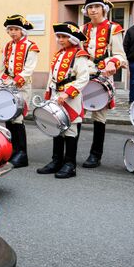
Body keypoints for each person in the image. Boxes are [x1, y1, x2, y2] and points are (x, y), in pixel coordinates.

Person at [36, 23, 92, 179]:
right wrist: (48, 93)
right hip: (56, 95)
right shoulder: (58, 54)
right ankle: (56, 160)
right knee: (56, 126)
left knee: (70, 129)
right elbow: (52, 76)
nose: (60, 40)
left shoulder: (79, 55)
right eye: (59, 37)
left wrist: (67, 94)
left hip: (70, 98)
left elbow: (83, 78)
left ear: (72, 38)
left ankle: (70, 164)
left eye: (64, 37)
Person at [79, 0, 126, 168]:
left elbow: (120, 55)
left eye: (96, 7)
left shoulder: (114, 28)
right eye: (90, 7)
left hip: (102, 76)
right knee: (76, 113)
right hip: (83, 76)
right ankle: (70, 155)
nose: (93, 10)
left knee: (99, 116)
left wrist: (113, 63)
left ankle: (95, 155)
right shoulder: (82, 29)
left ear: (103, 9)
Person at [0, 15, 40, 168]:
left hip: (22, 86)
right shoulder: (8, 46)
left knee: (17, 117)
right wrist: (1, 80)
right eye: (10, 30)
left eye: (16, 29)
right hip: (8, 85)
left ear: (22, 31)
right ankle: (12, 150)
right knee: (8, 117)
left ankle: (22, 154)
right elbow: (3, 66)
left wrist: (16, 81)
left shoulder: (31, 46)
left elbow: (28, 69)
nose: (13, 32)